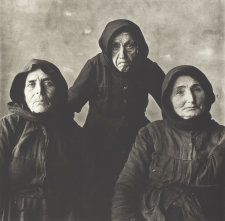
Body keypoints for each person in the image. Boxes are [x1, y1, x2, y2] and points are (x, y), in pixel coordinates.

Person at [68, 19, 165, 220]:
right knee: (94, 202)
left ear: (139, 47)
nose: (123, 54)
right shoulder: (95, 66)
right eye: (115, 46)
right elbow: (69, 105)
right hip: (96, 144)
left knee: (132, 200)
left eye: (130, 45)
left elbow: (171, 103)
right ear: (106, 47)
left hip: (135, 144)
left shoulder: (147, 68)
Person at [112, 65, 225, 221]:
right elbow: (127, 186)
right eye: (180, 92)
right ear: (168, 100)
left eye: (197, 89)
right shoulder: (151, 134)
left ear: (207, 94)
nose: (191, 99)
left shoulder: (222, 137)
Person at [0, 59, 82, 221]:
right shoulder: (9, 126)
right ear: (22, 91)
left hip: (62, 214)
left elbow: (83, 186)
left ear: (58, 91)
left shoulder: (71, 131)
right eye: (31, 84)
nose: (39, 91)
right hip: (16, 215)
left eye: (48, 84)